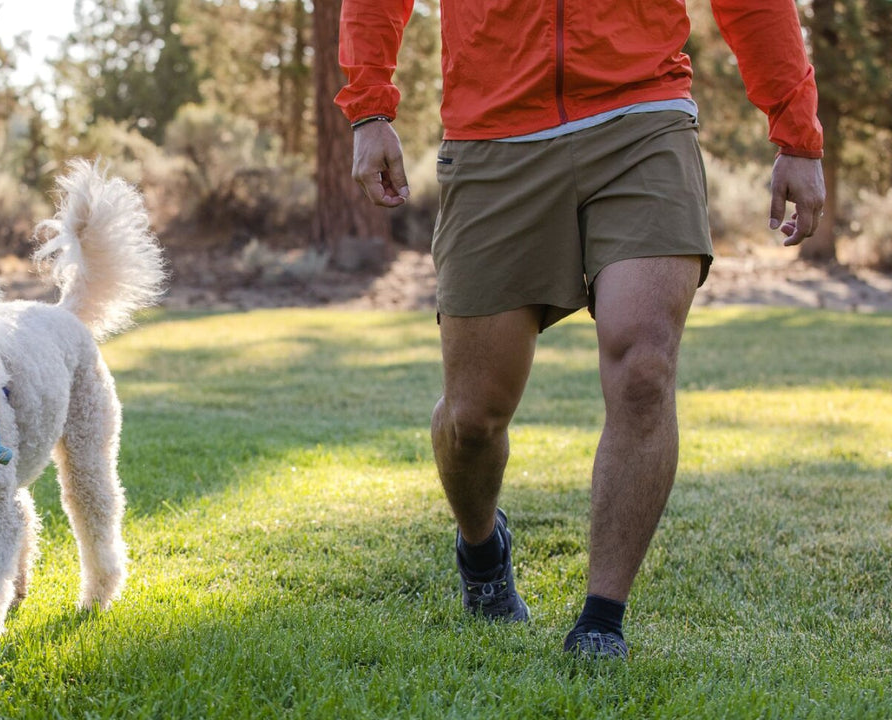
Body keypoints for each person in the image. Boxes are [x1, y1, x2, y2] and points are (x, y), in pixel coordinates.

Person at [336, 0, 825, 658]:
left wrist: (796, 132)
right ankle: (482, 548)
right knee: (473, 416)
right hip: (493, 131)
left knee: (645, 366)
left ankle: (601, 621)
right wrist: (370, 108)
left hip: (642, 115)